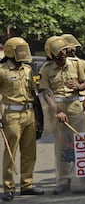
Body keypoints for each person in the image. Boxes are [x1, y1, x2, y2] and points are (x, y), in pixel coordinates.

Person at [39, 36, 85, 195]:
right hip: (57, 108)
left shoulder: (77, 64)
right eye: (59, 53)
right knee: (61, 146)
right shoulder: (46, 69)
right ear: (52, 55)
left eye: (64, 51)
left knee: (82, 141)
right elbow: (46, 93)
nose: (62, 55)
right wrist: (57, 111)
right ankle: (63, 181)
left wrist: (79, 86)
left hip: (75, 106)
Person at [0, 37, 44, 201]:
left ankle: (27, 185)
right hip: (11, 115)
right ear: (11, 51)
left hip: (29, 114)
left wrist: (38, 117)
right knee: (10, 153)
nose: (23, 52)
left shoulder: (27, 69)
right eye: (19, 49)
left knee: (29, 152)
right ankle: (8, 187)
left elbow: (34, 93)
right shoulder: (2, 70)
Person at [60, 34, 85, 111]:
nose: (73, 49)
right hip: (64, 104)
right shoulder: (57, 65)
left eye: (74, 47)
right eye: (70, 47)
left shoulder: (83, 63)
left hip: (82, 102)